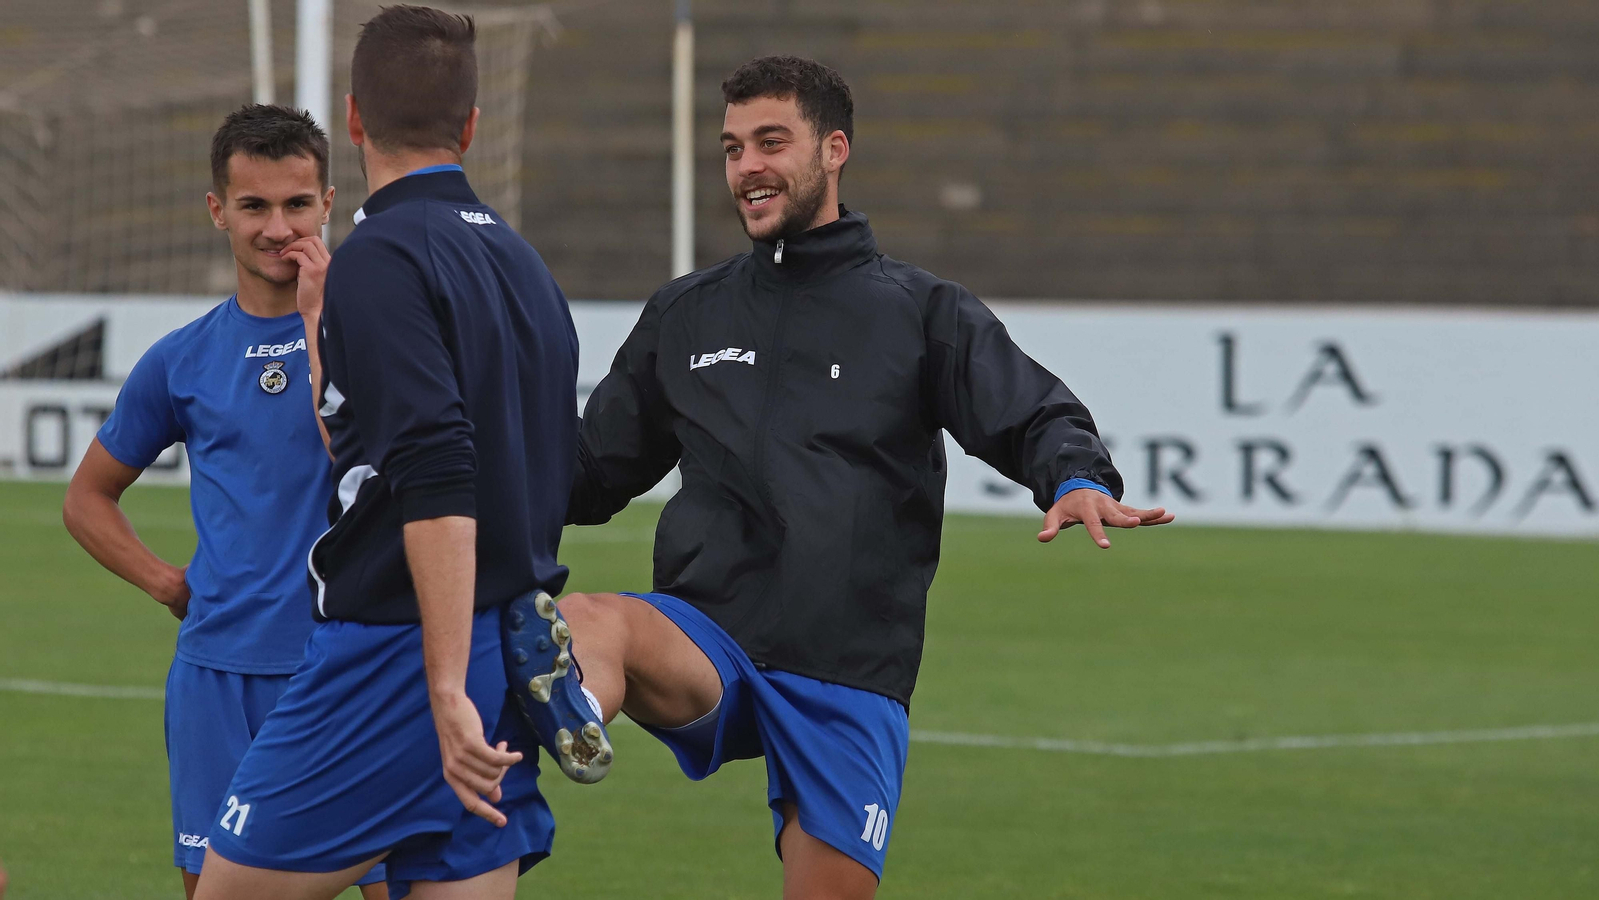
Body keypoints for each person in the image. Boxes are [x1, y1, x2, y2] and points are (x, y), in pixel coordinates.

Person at [543, 56, 1175, 898]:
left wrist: (1073, 477)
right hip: (709, 635)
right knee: (592, 619)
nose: (747, 167)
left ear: (834, 149)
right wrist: (474, 464)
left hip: (848, 671)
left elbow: (1032, 411)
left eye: (772, 141)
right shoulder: (686, 313)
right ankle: (555, 719)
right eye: (732, 148)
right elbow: (589, 476)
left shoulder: (918, 310)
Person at [193, 7, 582, 899]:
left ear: (355, 117)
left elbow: (437, 475)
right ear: (472, 126)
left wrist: (441, 687)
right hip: (503, 647)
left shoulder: (382, 256)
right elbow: (376, 446)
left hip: (398, 656)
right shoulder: (525, 266)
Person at [61, 105, 388, 900]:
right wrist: (165, 582)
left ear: (329, 203)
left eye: (296, 205)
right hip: (218, 678)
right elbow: (87, 498)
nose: (278, 228)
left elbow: (372, 463)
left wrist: (320, 320)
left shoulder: (383, 340)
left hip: (350, 667)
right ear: (218, 211)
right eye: (254, 206)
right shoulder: (182, 360)